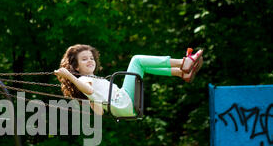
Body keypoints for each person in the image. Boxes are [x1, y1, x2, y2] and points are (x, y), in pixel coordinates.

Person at [54, 44, 203, 117]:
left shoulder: (92, 81)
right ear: (76, 67)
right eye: (84, 59)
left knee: (142, 67)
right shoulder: (85, 80)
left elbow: (99, 113)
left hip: (126, 108)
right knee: (137, 60)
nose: (90, 61)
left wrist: (93, 100)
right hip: (124, 101)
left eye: (91, 58)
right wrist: (69, 76)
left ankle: (180, 73)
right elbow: (88, 89)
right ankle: (183, 63)